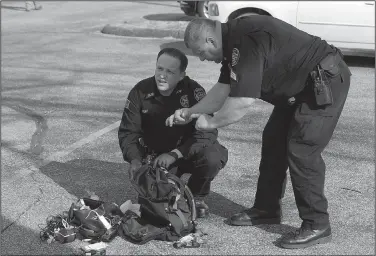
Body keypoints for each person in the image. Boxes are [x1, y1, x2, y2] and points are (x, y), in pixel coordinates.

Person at [165, 16, 351, 249]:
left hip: (323, 83)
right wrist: (192, 111)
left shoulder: (246, 41)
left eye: (200, 51)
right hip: (300, 89)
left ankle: (317, 224)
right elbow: (223, 90)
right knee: (274, 141)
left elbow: (241, 102)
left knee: (302, 150)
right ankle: (267, 209)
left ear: (211, 39)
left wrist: (211, 123)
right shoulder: (233, 44)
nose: (202, 58)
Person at [118, 47, 228, 218]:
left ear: (181, 75)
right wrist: (134, 159)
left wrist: (176, 154)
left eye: (170, 71)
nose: (162, 75)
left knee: (212, 156)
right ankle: (169, 187)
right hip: (158, 156)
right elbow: (128, 132)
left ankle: (197, 196)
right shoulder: (140, 91)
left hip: (186, 151)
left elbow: (207, 133)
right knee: (155, 205)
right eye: (159, 68)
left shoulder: (193, 92)